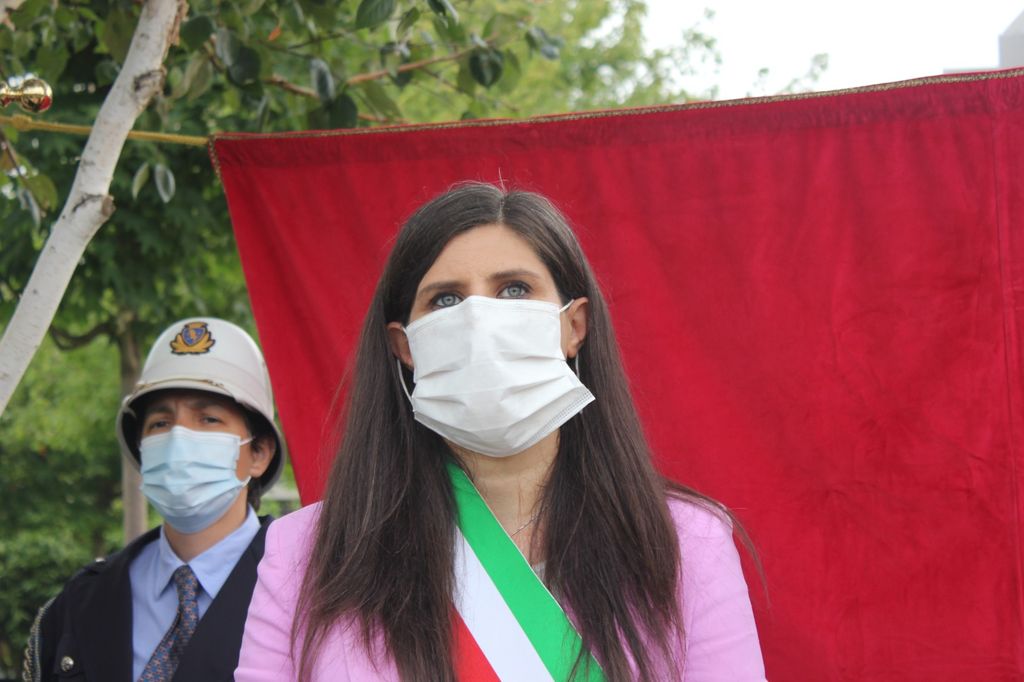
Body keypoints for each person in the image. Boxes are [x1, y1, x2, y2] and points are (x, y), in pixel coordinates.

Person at [235, 183, 767, 681]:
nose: (479, 320)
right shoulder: (306, 554)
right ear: (405, 346)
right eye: (446, 299)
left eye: (514, 289)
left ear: (574, 326)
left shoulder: (687, 544)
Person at [23, 318, 286, 682]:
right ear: (142, 449)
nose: (178, 439)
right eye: (160, 423)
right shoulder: (83, 598)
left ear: (259, 453)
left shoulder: (305, 593)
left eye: (208, 419)